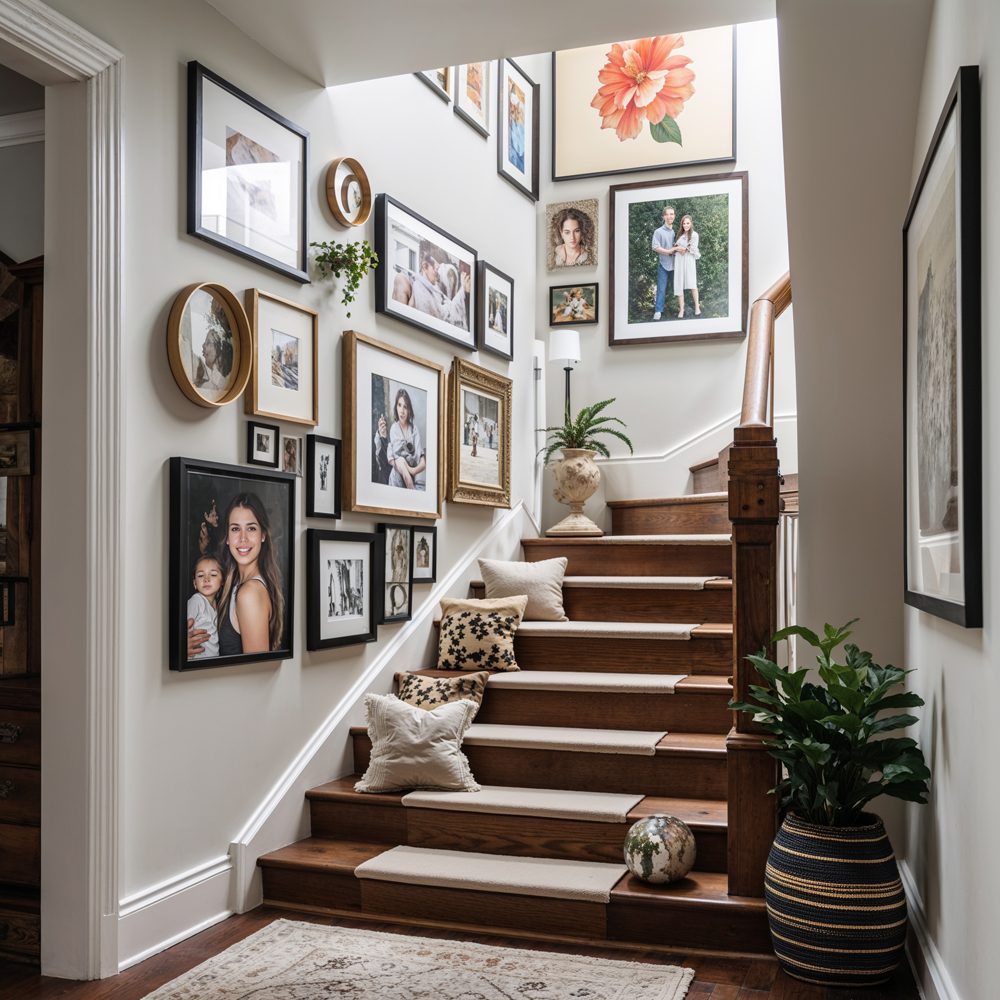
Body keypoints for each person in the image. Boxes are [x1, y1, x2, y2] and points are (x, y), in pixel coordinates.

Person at [189, 492, 285, 658]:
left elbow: (257, 674)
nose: (243, 538)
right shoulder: (234, 582)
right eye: (235, 529)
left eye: (251, 528)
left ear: (263, 535)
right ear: (227, 537)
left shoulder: (250, 593)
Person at [374, 387, 426, 490]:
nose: (401, 411)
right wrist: (402, 464)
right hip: (395, 480)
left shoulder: (414, 429)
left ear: (409, 409)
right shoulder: (394, 428)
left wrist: (411, 470)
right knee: (400, 460)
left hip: (410, 477)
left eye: (405, 407)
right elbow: (394, 459)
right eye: (399, 405)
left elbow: (422, 463)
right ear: (396, 407)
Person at [409, 254, 471, 328]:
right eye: (435, 270)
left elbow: (449, 308)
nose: (437, 276)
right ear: (425, 267)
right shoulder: (419, 287)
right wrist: (463, 291)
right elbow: (437, 316)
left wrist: (463, 290)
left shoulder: (433, 288)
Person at [186, 555, 222, 660]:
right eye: (201, 575)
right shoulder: (196, 600)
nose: (206, 579)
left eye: (213, 574)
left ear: (222, 580)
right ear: (194, 583)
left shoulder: (218, 605)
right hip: (195, 659)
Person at [651, 205, 678, 320]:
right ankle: (658, 311)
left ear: (674, 216)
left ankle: (681, 308)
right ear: (663, 216)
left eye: (672, 214)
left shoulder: (675, 232)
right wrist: (668, 251)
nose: (669, 216)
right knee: (661, 289)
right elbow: (655, 247)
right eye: (667, 214)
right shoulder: (658, 231)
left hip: (675, 265)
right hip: (663, 265)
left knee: (678, 287)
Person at [673, 214, 702, 318]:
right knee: (679, 283)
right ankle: (681, 309)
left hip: (689, 260)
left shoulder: (694, 235)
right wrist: (679, 248)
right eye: (684, 223)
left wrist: (682, 248)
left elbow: (689, 248)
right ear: (682, 224)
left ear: (691, 223)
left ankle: (697, 307)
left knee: (692, 283)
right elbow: (676, 247)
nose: (686, 225)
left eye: (687, 223)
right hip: (679, 260)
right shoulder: (679, 235)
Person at [193, 327, 231, 397]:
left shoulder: (228, 380)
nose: (203, 346)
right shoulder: (203, 373)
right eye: (205, 343)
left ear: (218, 349)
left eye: (208, 343)